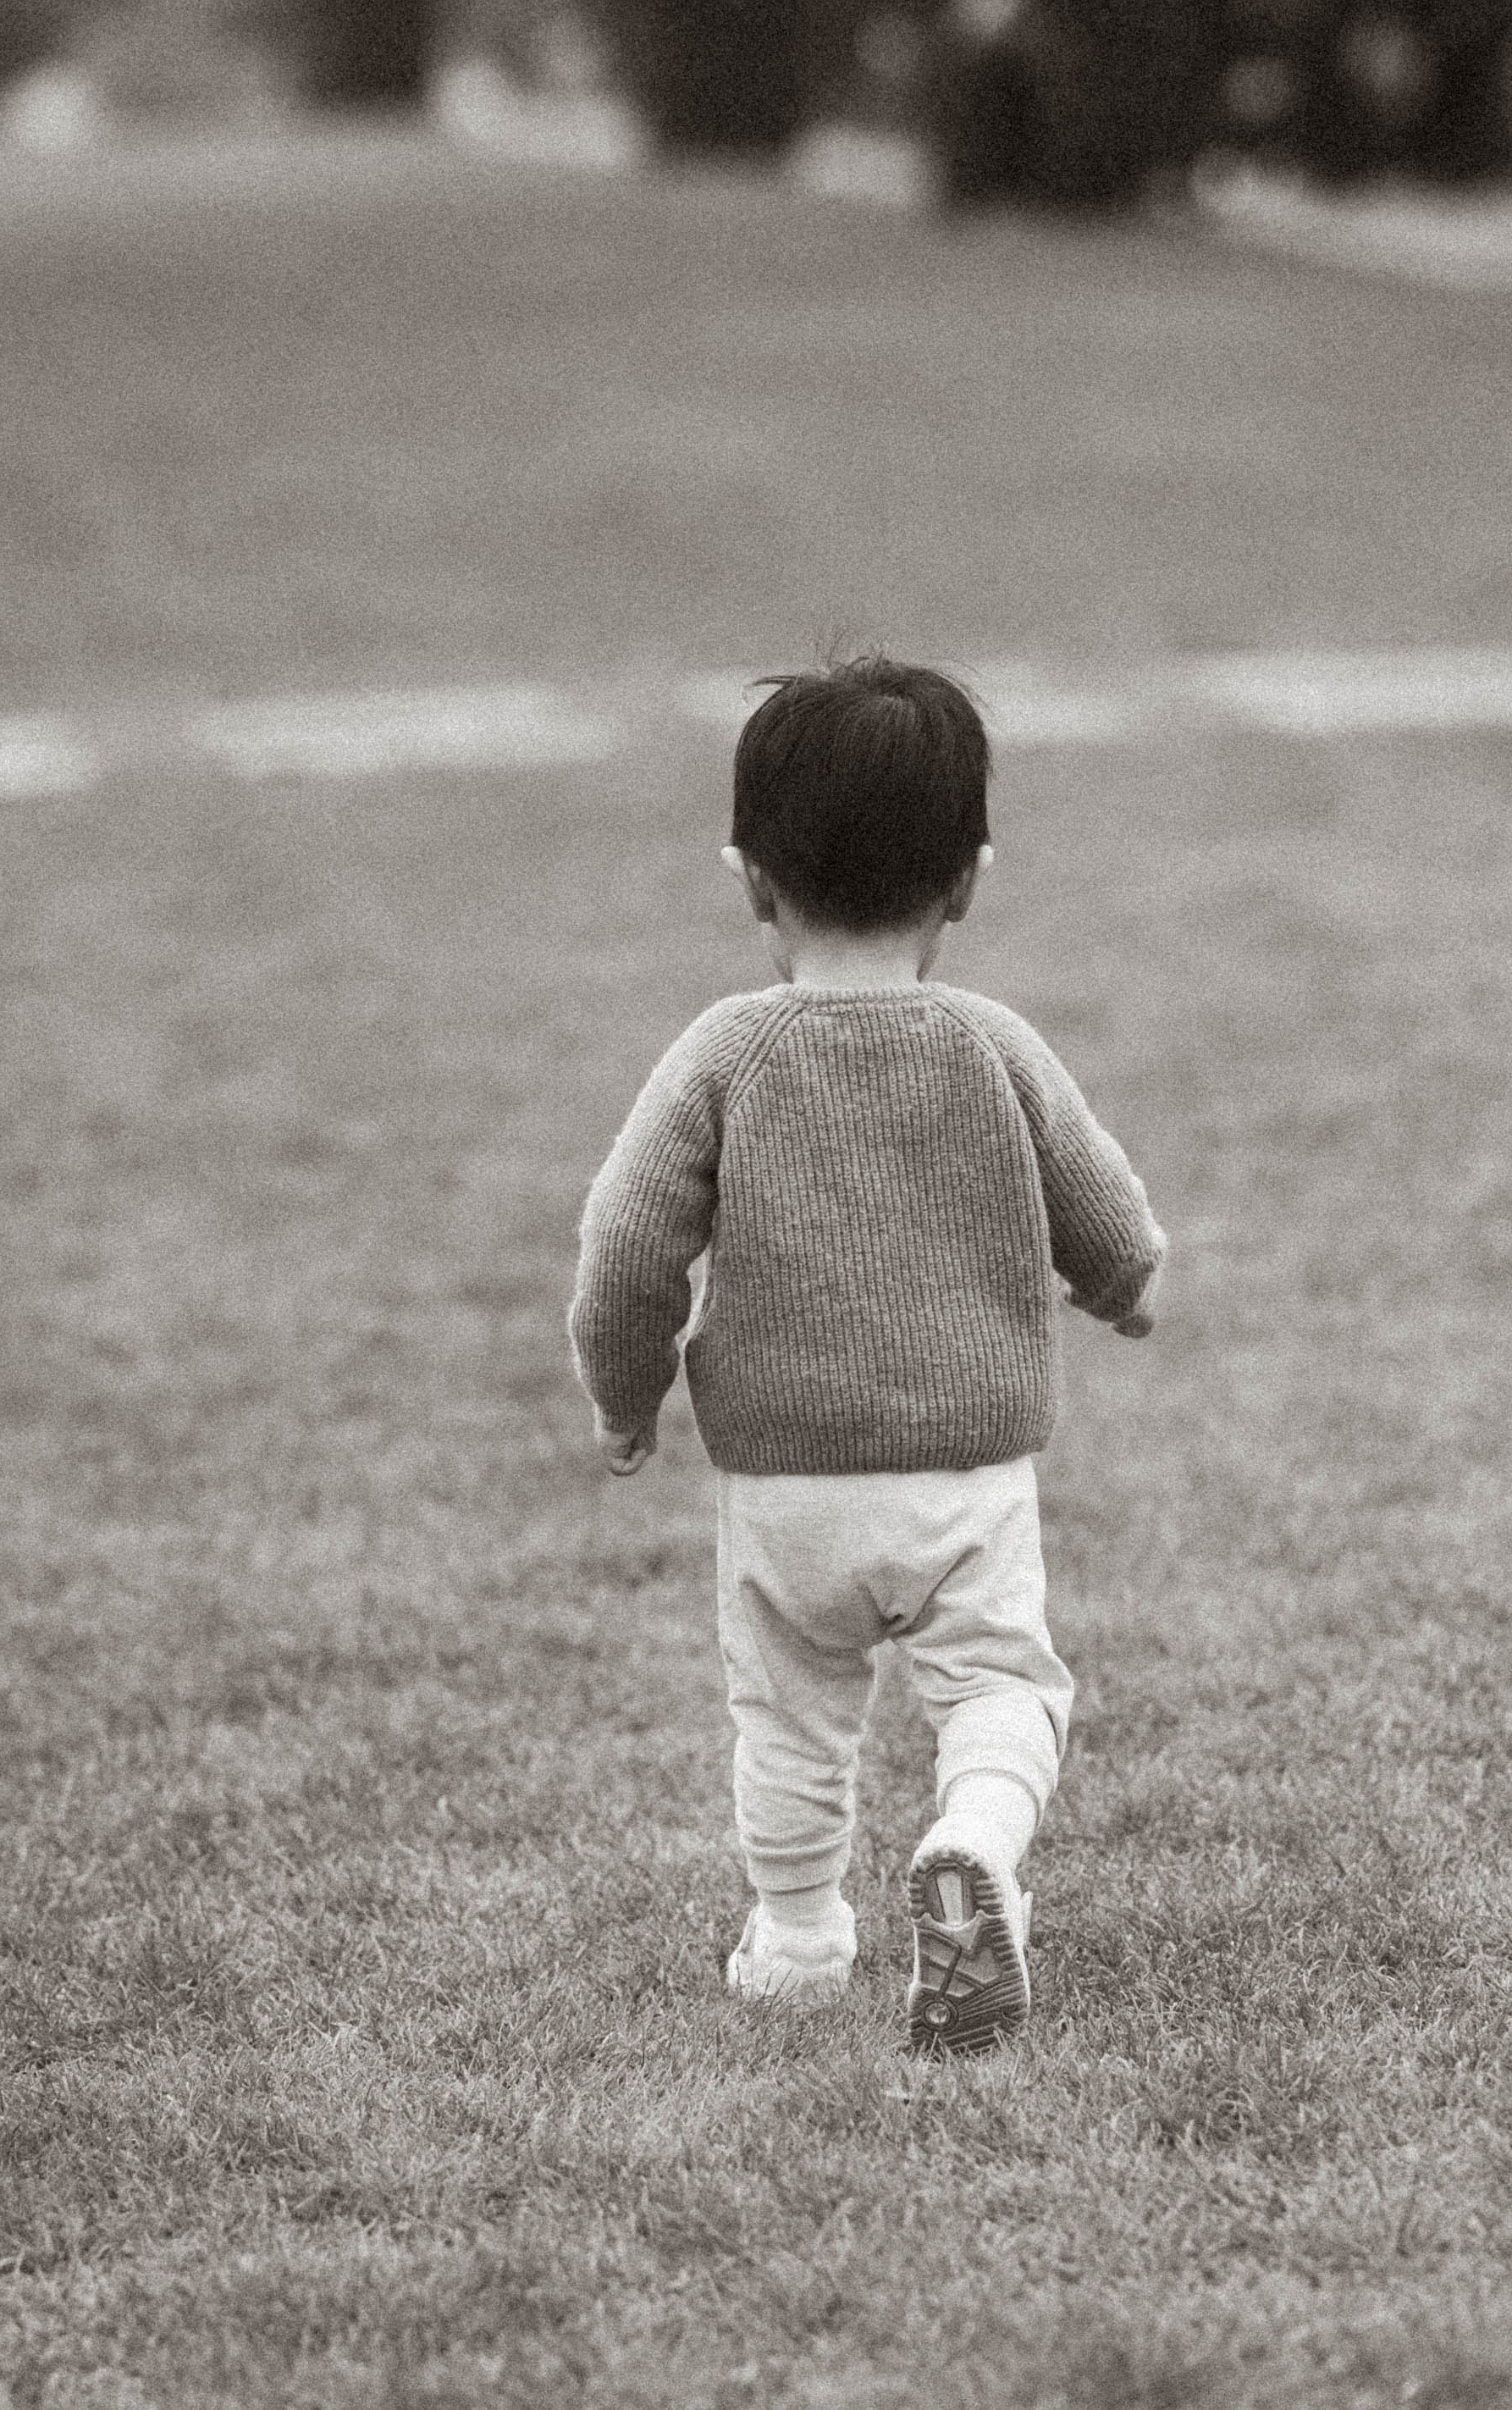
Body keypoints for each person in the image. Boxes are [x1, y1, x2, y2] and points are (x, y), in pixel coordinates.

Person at [568, 656, 1166, 2053]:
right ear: (968, 880)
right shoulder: (991, 1043)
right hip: (963, 1476)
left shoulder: (721, 1053)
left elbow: (624, 1254)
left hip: (784, 1488)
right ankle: (972, 1843)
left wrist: (627, 1394)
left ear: (748, 880)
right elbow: (1102, 1208)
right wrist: (1122, 1289)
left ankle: (793, 1939)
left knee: (785, 1716)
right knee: (1003, 1692)